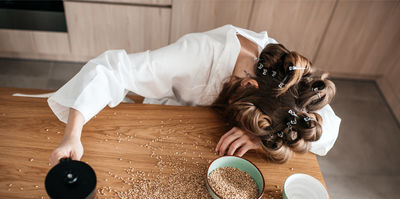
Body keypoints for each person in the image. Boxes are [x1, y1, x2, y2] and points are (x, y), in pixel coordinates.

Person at [48, 24, 340, 165]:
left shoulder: (284, 77)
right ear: (248, 87)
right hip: (166, 115)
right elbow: (112, 68)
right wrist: (73, 134)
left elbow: (327, 127)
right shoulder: (198, 55)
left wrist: (256, 138)